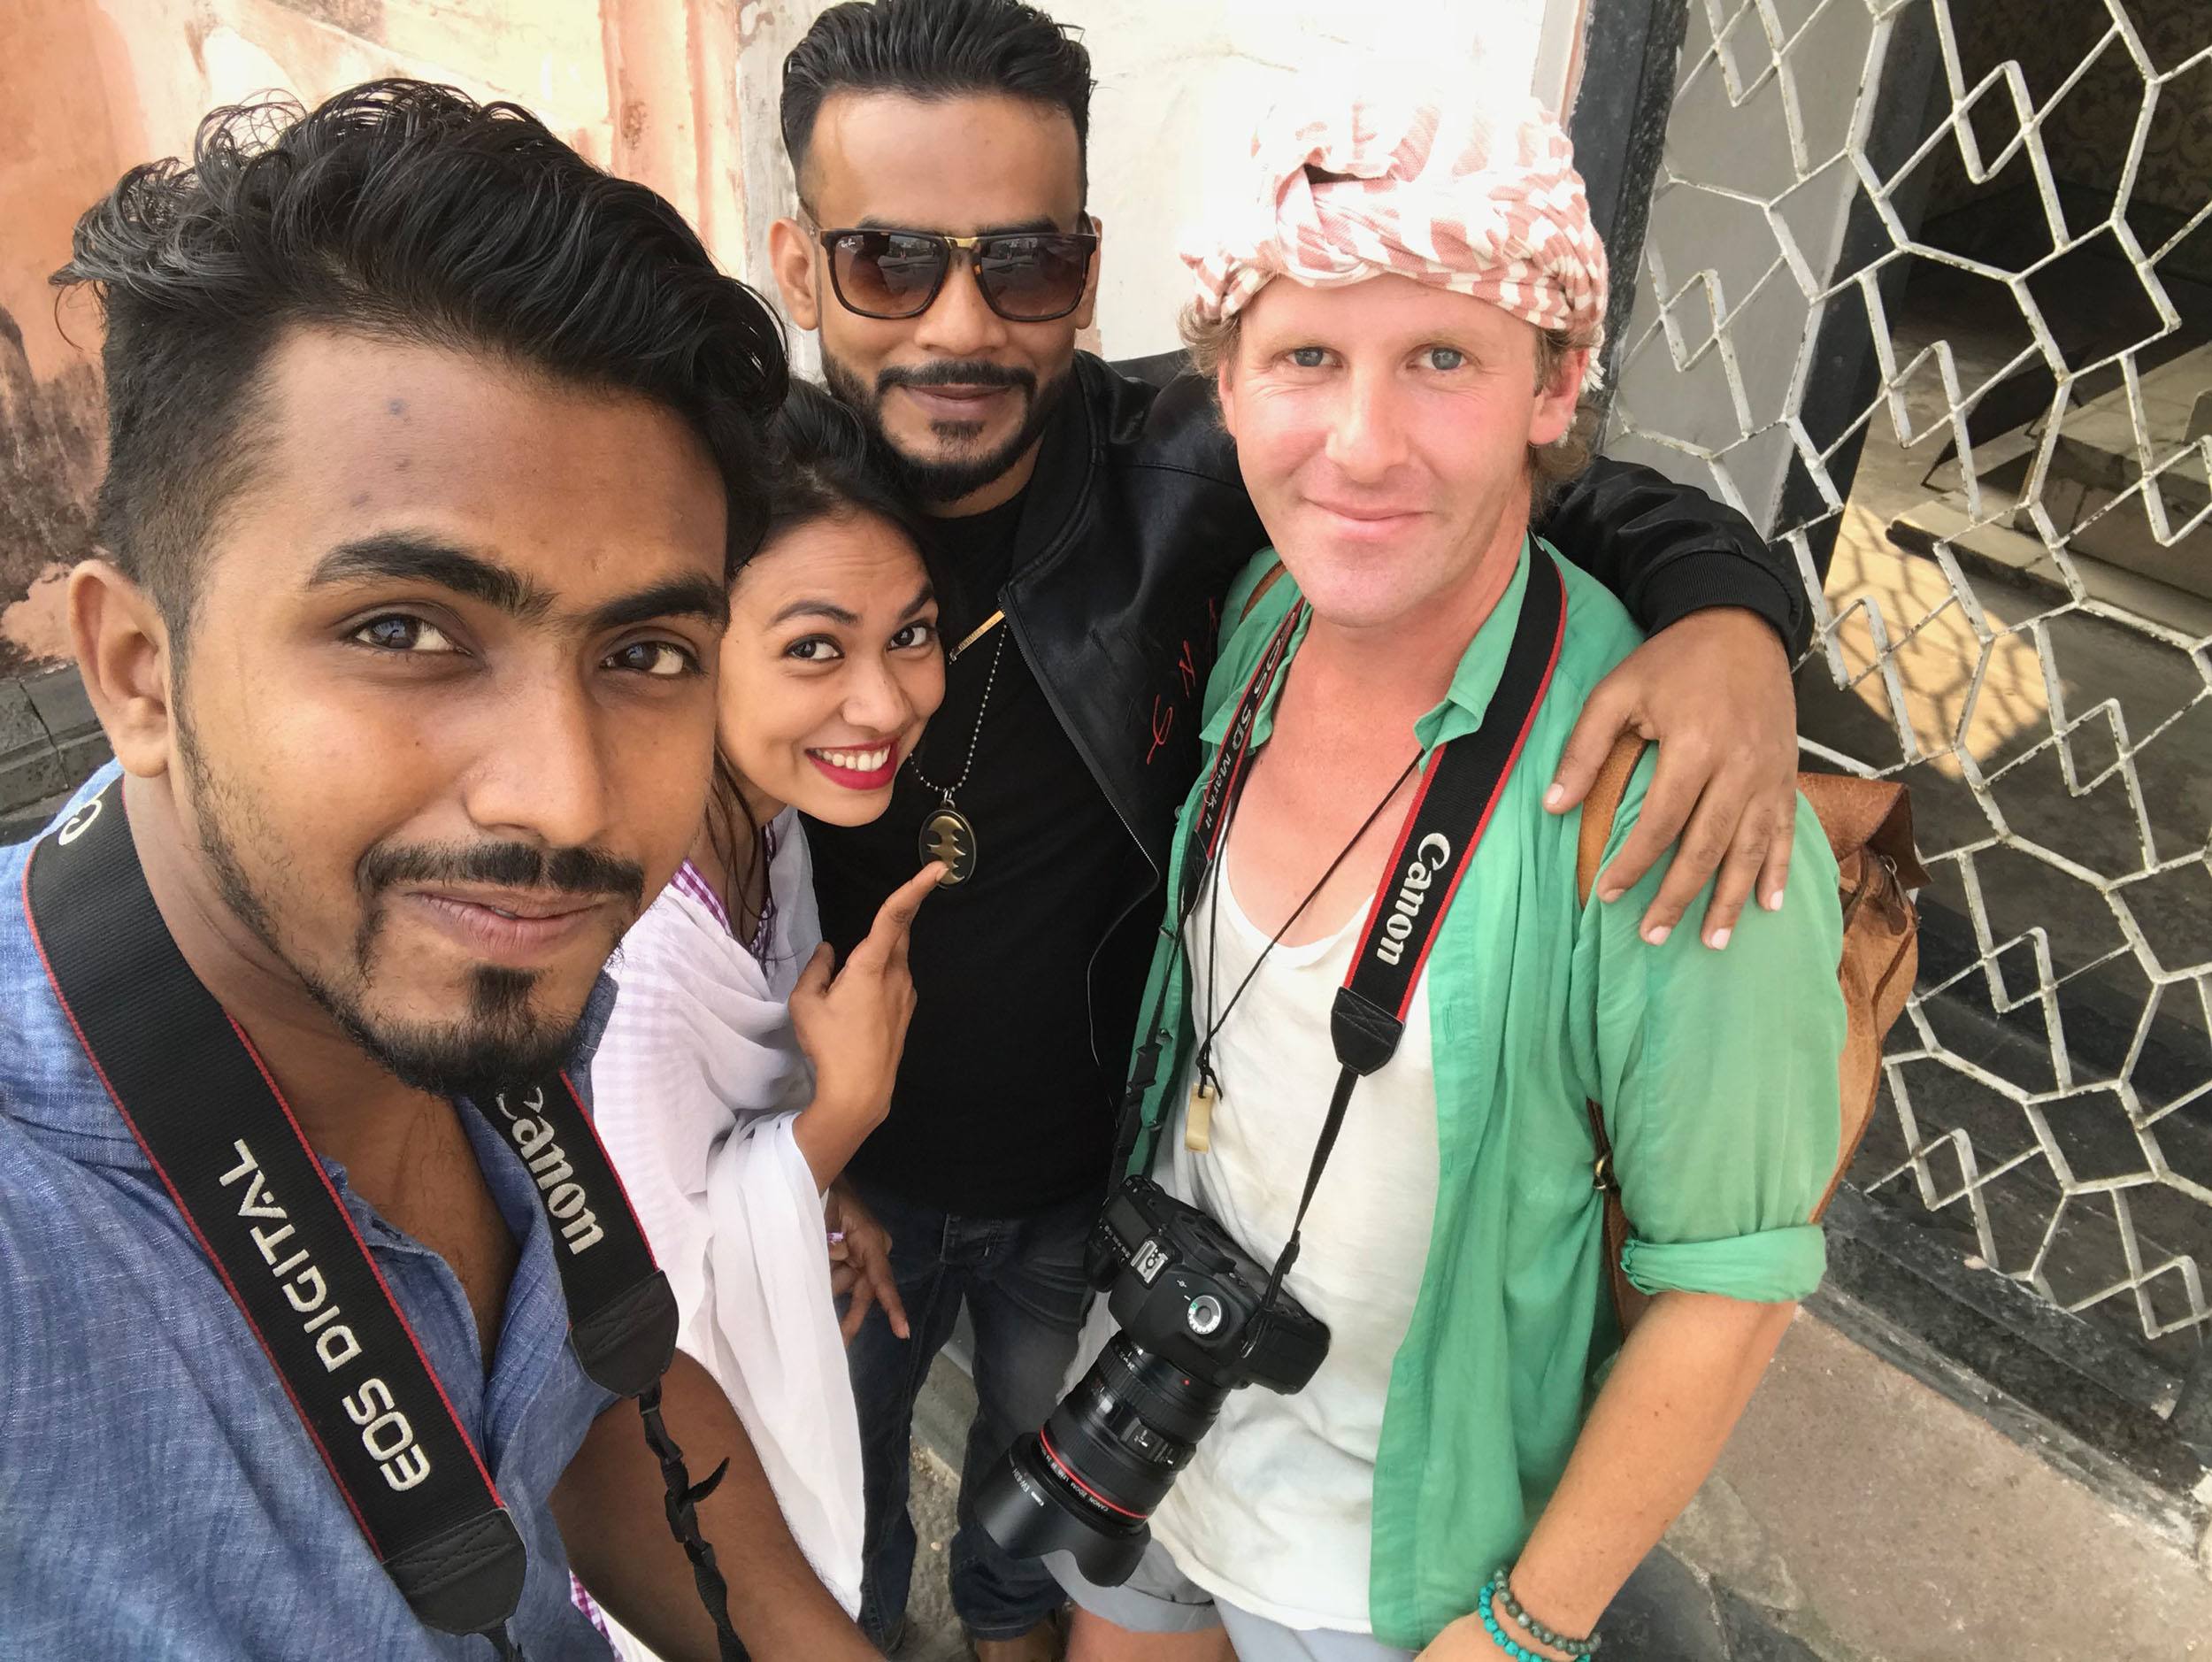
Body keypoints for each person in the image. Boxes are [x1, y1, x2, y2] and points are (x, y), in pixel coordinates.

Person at [764, 4, 1821, 1658]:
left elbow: (1545, 506)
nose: (959, 323)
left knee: (1013, 1585)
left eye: (1025, 264)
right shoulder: (740, 498)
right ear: (798, 258)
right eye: (889, 260)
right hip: (898, 1214)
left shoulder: (1189, 484)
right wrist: (776, 1152)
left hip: (1130, 1280)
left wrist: (1738, 621)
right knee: (825, 1539)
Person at [0, 82, 875, 1661]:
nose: (565, 794)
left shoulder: (480, 945)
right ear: (135, 668)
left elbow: (582, 1385)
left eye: (648, 650)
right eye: (404, 630)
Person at [1048, 87, 1846, 1662]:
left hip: (1394, 1581)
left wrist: (1522, 1630)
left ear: (1553, 385)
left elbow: (1732, 1282)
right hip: (1156, 1424)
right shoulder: (1261, 617)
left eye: (1441, 360)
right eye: (1305, 359)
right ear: (1226, 379)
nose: (1360, 444)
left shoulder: (1667, 795)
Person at [590, 383, 950, 1637]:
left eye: (912, 632)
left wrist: (819, 1184)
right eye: (815, 647)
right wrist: (843, 1115)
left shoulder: (770, 818)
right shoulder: (626, 960)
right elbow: (658, 1307)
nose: (885, 701)